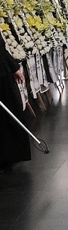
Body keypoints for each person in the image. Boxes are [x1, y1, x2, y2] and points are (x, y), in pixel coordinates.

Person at [0, 34, 31, 172]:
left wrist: (13, 68)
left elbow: (1, 48)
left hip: (2, 74)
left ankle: (8, 155)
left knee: (7, 117)